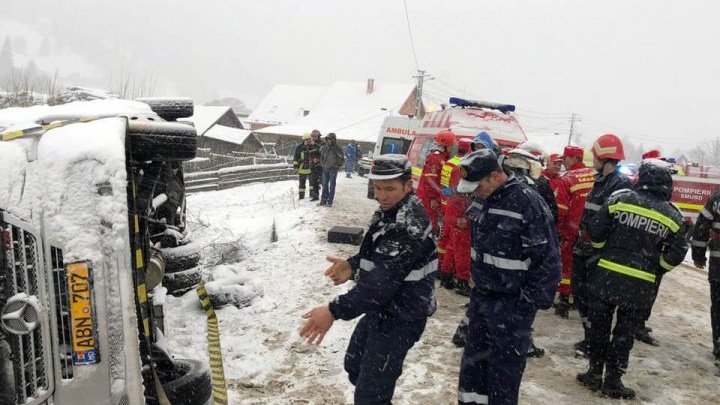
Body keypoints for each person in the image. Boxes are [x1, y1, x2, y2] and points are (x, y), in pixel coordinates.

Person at [300, 154, 437, 404]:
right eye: (377, 188)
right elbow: (380, 257)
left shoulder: (407, 224)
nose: (381, 196)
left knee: (370, 395)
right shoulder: (393, 210)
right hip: (383, 310)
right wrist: (352, 266)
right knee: (354, 365)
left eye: (389, 189)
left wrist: (332, 311)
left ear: (408, 186)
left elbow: (378, 286)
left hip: (401, 317)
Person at [456, 149, 560, 405]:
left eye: (477, 185)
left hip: (512, 306)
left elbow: (547, 260)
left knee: (503, 379)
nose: (473, 192)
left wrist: (526, 306)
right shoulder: (483, 199)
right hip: (482, 299)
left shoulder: (528, 203)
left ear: (494, 176)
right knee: (472, 373)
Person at [577, 159, 688, 399]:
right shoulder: (672, 214)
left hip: (605, 275)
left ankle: (594, 374)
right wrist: (658, 267)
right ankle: (613, 381)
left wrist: (604, 250)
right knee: (624, 335)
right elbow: (678, 251)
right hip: (639, 286)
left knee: (599, 328)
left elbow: (596, 232)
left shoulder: (619, 200)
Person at [573, 134, 633, 357]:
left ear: (606, 158)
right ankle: (590, 338)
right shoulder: (599, 180)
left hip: (600, 251)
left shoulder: (621, 185)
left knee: (594, 300)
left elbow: (615, 222)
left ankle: (595, 343)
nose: (593, 160)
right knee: (580, 295)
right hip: (585, 247)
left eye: (596, 156)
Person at [554, 145, 596, 318]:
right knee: (588, 266)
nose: (563, 161)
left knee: (567, 265)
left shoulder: (568, 179)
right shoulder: (596, 176)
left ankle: (564, 299)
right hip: (594, 230)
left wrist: (559, 231)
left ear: (574, 159)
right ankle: (580, 299)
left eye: (566, 157)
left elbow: (561, 209)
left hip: (572, 230)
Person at [438, 137, 473, 294]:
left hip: (450, 208)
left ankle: (446, 275)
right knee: (462, 249)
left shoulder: (452, 164)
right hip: (459, 213)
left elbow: (448, 189)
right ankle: (462, 281)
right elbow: (460, 193)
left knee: (451, 245)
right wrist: (461, 214)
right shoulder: (464, 168)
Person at [691, 187, 720, 366]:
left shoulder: (717, 200)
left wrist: (698, 255)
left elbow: (702, 227)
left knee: (718, 306)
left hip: (719, 266)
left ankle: (719, 343)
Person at [416, 130, 456, 233]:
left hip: (432, 196)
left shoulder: (441, 157)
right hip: (428, 198)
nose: (452, 148)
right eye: (451, 146)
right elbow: (430, 180)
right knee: (429, 224)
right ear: (445, 145)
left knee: (433, 223)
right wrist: (433, 198)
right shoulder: (435, 157)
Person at [319, 133, 344, 207]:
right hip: (325, 169)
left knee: (332, 186)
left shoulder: (338, 148)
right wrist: (322, 164)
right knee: (324, 185)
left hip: (333, 170)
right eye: (327, 139)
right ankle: (323, 200)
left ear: (333, 139)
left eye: (330, 139)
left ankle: (330, 201)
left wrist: (337, 166)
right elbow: (322, 157)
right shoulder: (325, 147)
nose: (328, 140)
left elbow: (342, 159)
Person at [292, 133, 314, 199]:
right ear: (305, 139)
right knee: (302, 184)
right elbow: (295, 158)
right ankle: (301, 197)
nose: (310, 141)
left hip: (311, 168)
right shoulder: (299, 147)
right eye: (309, 139)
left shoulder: (313, 146)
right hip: (302, 168)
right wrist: (295, 167)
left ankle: (312, 196)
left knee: (312, 184)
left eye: (311, 139)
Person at [309, 129, 324, 201]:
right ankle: (315, 196)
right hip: (313, 164)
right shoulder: (310, 143)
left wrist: (318, 159)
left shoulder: (322, 143)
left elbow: (323, 151)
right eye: (313, 136)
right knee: (314, 181)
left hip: (321, 165)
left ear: (318, 136)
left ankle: (324, 196)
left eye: (315, 136)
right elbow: (308, 152)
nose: (314, 138)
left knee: (323, 181)